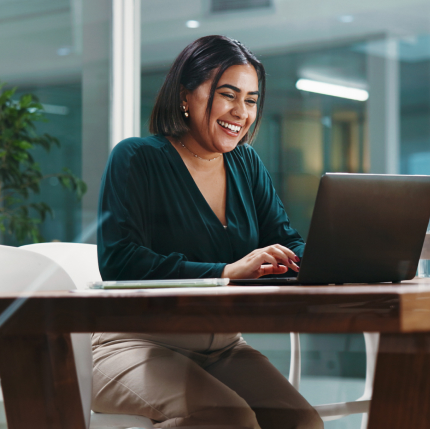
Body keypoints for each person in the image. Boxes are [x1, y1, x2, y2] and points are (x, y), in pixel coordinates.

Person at [92, 35, 323, 429]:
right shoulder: (137, 158)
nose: (241, 112)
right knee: (229, 419)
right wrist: (223, 273)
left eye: (251, 100)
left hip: (222, 346)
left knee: (301, 423)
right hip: (134, 343)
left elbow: (284, 238)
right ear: (186, 95)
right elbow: (120, 260)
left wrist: (325, 259)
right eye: (228, 95)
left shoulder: (246, 163)